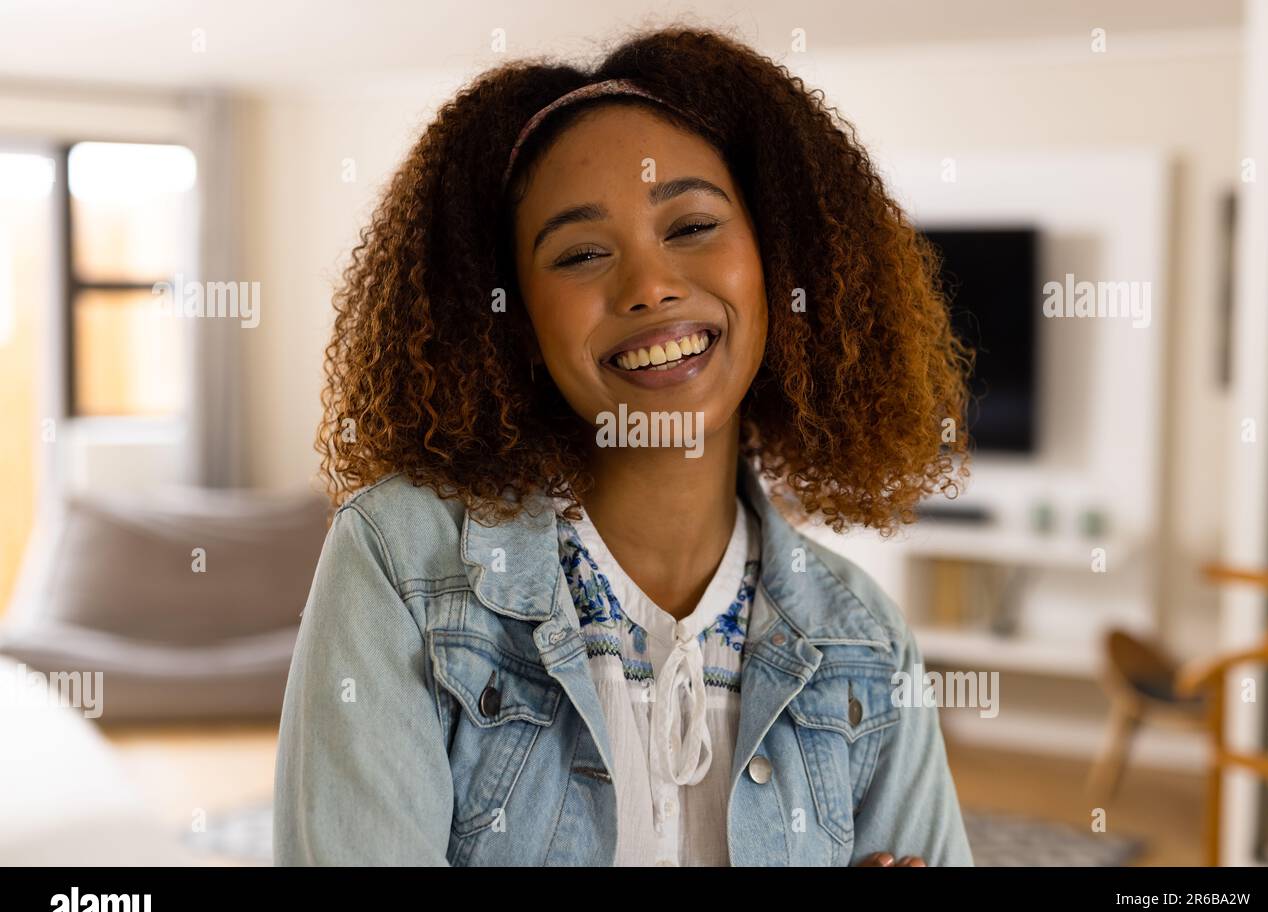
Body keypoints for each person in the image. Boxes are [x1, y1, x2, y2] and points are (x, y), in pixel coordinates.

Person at [274, 25, 975, 867]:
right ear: (515, 318)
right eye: (580, 252)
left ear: (778, 260)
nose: (649, 286)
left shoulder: (865, 640)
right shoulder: (401, 566)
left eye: (692, 225)